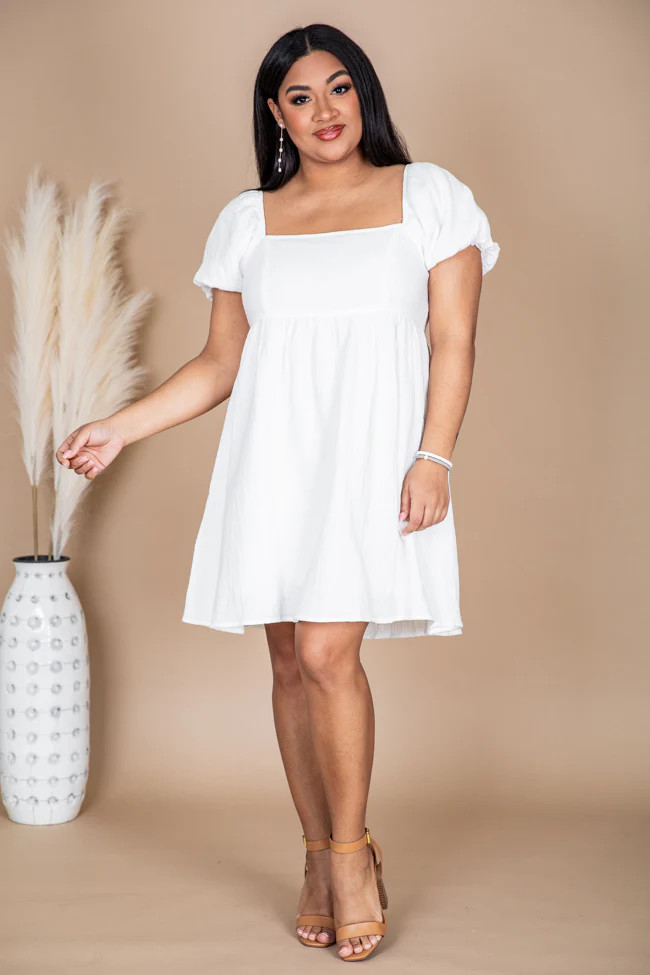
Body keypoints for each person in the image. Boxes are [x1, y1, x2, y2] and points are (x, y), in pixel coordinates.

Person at [56, 23, 500, 963]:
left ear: (363, 93)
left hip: (374, 461)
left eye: (340, 88)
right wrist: (120, 425)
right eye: (301, 96)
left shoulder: (429, 196)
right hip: (275, 460)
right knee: (292, 663)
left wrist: (435, 457)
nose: (325, 110)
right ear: (276, 114)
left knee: (332, 652)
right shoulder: (247, 221)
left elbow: (453, 340)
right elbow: (221, 364)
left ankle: (351, 856)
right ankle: (315, 851)